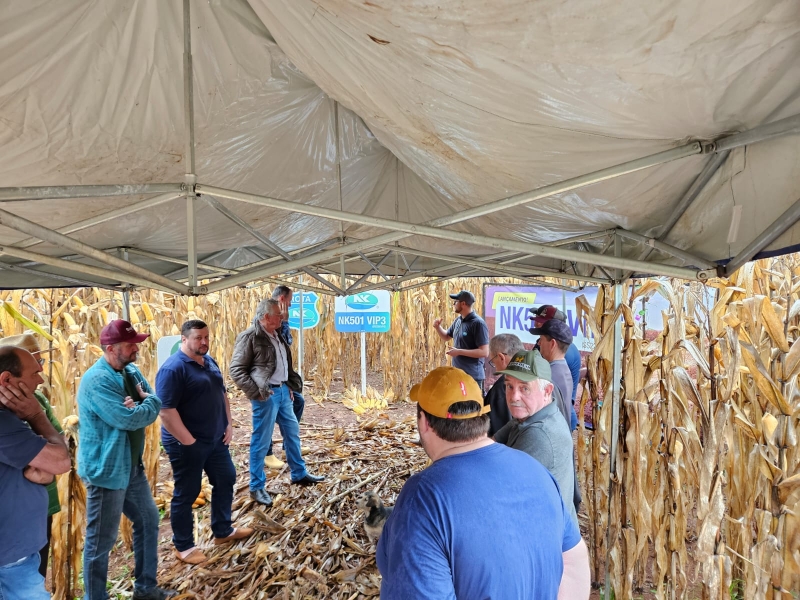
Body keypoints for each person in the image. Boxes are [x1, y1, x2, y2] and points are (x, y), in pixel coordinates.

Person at [377, 365, 589, 598]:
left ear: (424, 422)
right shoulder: (538, 472)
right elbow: (574, 560)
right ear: (482, 416)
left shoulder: (423, 498)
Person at [76, 320, 176, 600]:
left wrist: (146, 403)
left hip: (131, 468)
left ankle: (145, 589)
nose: (137, 348)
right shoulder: (97, 380)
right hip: (107, 471)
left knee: (148, 520)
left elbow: (152, 402)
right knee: (101, 542)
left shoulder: (130, 370)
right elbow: (127, 419)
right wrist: (145, 405)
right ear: (110, 348)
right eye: (130, 345)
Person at [156, 320, 253, 565]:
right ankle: (184, 546)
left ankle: (222, 530)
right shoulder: (173, 369)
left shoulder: (209, 361)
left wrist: (228, 424)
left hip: (215, 439)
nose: (204, 342)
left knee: (226, 478)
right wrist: (188, 441)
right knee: (186, 492)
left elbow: (222, 394)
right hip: (187, 443)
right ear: (184, 339)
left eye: (207, 337)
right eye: (198, 337)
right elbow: (166, 411)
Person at [229, 299, 324, 508]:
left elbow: (281, 364)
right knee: (261, 440)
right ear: (265, 317)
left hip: (282, 391)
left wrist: (287, 385)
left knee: (292, 432)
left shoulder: (277, 334)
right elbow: (236, 370)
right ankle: (256, 486)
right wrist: (258, 393)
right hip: (267, 395)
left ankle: (299, 473)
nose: (282, 317)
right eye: (277, 314)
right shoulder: (250, 337)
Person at [0, 345, 71, 600]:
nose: (41, 380)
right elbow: (61, 460)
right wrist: (35, 415)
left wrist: (44, 473)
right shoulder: (4, 422)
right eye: (34, 373)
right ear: (7, 379)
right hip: (10, 563)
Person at [495, 350, 579, 528]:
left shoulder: (539, 434)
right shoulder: (533, 414)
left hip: (549, 540)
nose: (514, 396)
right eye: (509, 386)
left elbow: (502, 490)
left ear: (547, 391)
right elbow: (493, 441)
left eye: (524, 388)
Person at [264, 285, 306, 469]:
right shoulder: (269, 317)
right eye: (289, 300)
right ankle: (266, 453)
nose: (290, 304)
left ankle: (288, 446)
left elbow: (284, 346)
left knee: (298, 402)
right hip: (266, 384)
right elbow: (286, 341)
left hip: (279, 381)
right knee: (266, 417)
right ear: (282, 299)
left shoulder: (278, 318)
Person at [529, 305, 582, 430]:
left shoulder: (557, 359)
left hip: (559, 416)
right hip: (562, 413)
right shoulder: (565, 348)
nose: (536, 323)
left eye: (541, 322)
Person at [432, 290, 489, 391]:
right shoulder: (458, 320)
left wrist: (459, 352)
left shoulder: (478, 324)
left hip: (472, 376)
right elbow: (446, 336)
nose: (453, 304)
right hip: (458, 375)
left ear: (463, 304)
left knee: (473, 406)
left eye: (455, 302)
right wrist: (437, 327)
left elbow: (484, 352)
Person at [484, 333, 524, 436]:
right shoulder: (533, 379)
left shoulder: (503, 388)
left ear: (501, 358)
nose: (494, 365)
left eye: (493, 361)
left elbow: (500, 433)